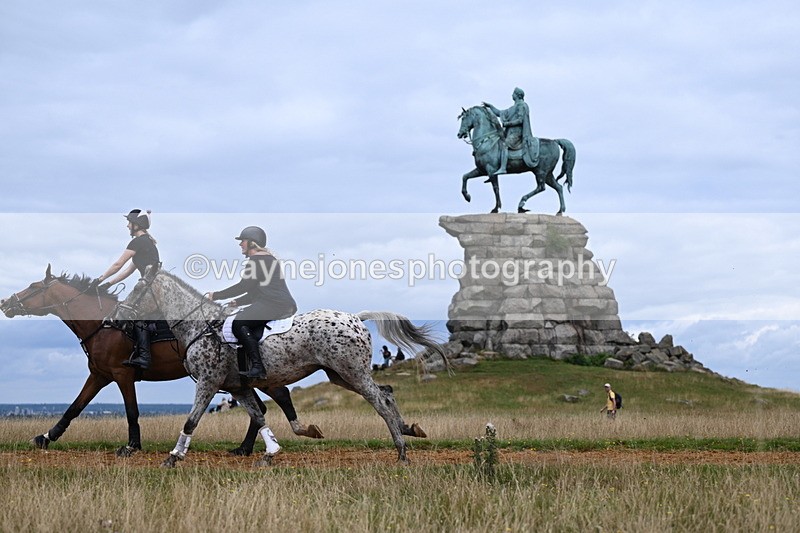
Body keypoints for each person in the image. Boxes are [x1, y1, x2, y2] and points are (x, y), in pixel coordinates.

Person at [206, 226, 297, 380]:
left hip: (274, 305)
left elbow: (244, 286)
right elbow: (256, 291)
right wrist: (237, 302)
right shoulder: (267, 259)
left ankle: (258, 367)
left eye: (243, 241)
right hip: (278, 303)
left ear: (252, 243)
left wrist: (216, 295)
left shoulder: (257, 260)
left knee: (238, 324)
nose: (240, 244)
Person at [96, 209, 160, 370]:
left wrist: (99, 279)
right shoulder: (146, 243)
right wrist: (108, 284)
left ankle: (145, 356)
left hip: (151, 287)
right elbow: (129, 270)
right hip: (153, 286)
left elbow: (118, 264)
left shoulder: (138, 243)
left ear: (136, 225)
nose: (127, 226)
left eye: (129, 223)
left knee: (135, 314)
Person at [482, 87, 539, 174]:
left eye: (513, 93)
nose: (512, 95)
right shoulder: (513, 107)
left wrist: (507, 124)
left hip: (517, 134)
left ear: (517, 95)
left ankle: (503, 168)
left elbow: (520, 120)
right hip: (510, 133)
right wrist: (491, 107)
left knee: (504, 144)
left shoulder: (522, 105)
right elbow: (499, 113)